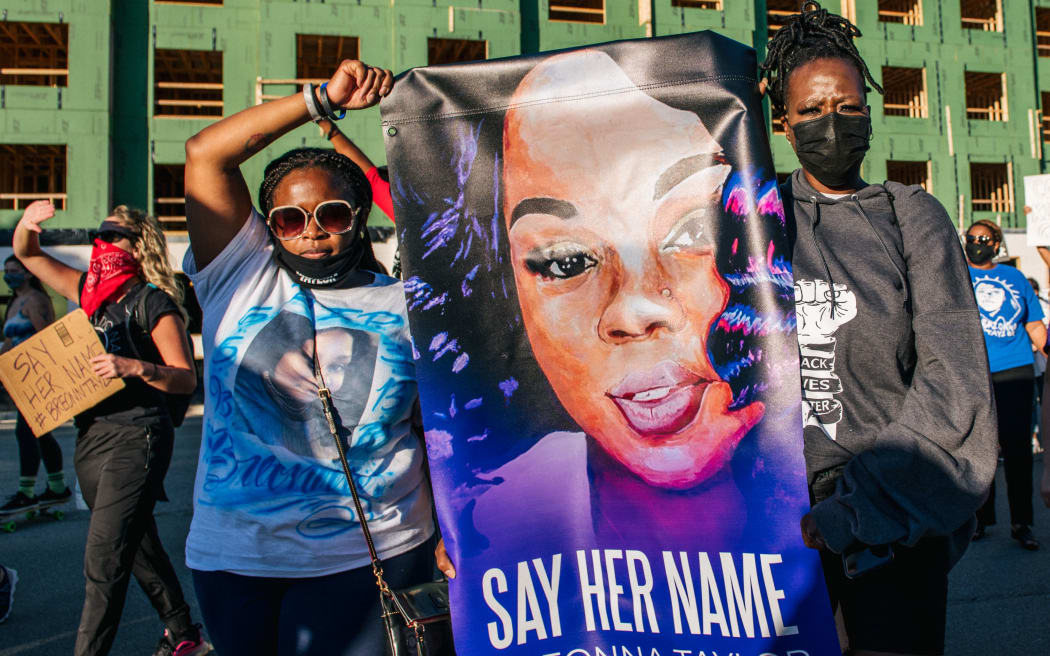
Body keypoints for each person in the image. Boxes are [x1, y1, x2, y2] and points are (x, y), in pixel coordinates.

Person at [434, 49, 805, 581]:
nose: (634, 312)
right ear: (507, 291)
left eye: (695, 231)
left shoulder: (834, 469)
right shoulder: (493, 516)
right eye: (565, 261)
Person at [759, 3, 997, 654]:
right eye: (808, 110)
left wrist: (859, 508)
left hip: (887, 526)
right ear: (781, 122)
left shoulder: (911, 216)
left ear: (870, 111)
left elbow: (953, 378)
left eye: (847, 106)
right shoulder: (752, 214)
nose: (829, 123)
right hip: (774, 529)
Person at [182, 60, 434, 655]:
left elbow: (434, 427)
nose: (312, 231)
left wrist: (456, 535)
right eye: (291, 220)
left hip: (373, 551)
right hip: (234, 557)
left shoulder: (406, 300)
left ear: (358, 217)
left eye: (333, 214)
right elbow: (204, 154)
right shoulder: (236, 276)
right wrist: (323, 100)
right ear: (269, 227)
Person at [12, 201, 207, 656]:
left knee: (103, 558)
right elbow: (28, 254)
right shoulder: (86, 290)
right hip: (91, 436)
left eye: (112, 233)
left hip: (137, 434)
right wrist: (27, 224)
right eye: (98, 233)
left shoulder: (152, 301)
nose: (101, 241)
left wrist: (135, 366)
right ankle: (183, 635)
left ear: (138, 244)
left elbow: (184, 377)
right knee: (135, 542)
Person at [965, 219, 1044, 550]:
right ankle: (980, 520)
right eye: (973, 238)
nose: (978, 242)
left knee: (1017, 450)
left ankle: (1022, 521)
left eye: (985, 239)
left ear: (997, 245)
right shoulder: (955, 275)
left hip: (1015, 371)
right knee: (980, 449)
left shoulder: (1014, 278)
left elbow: (1035, 325)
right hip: (972, 374)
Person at [1, 255, 71, 513]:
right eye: (6, 270)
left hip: (37, 376)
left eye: (14, 270)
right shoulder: (14, 303)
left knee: (26, 430)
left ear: (28, 272)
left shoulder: (36, 301)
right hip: (19, 377)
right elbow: (8, 344)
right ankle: (57, 486)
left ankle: (26, 491)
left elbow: (46, 339)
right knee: (38, 432)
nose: (9, 275)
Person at [315, 117, 394, 222]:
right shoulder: (407, 205)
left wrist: (328, 126)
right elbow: (371, 177)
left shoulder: (407, 208)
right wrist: (327, 126)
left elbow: (371, 177)